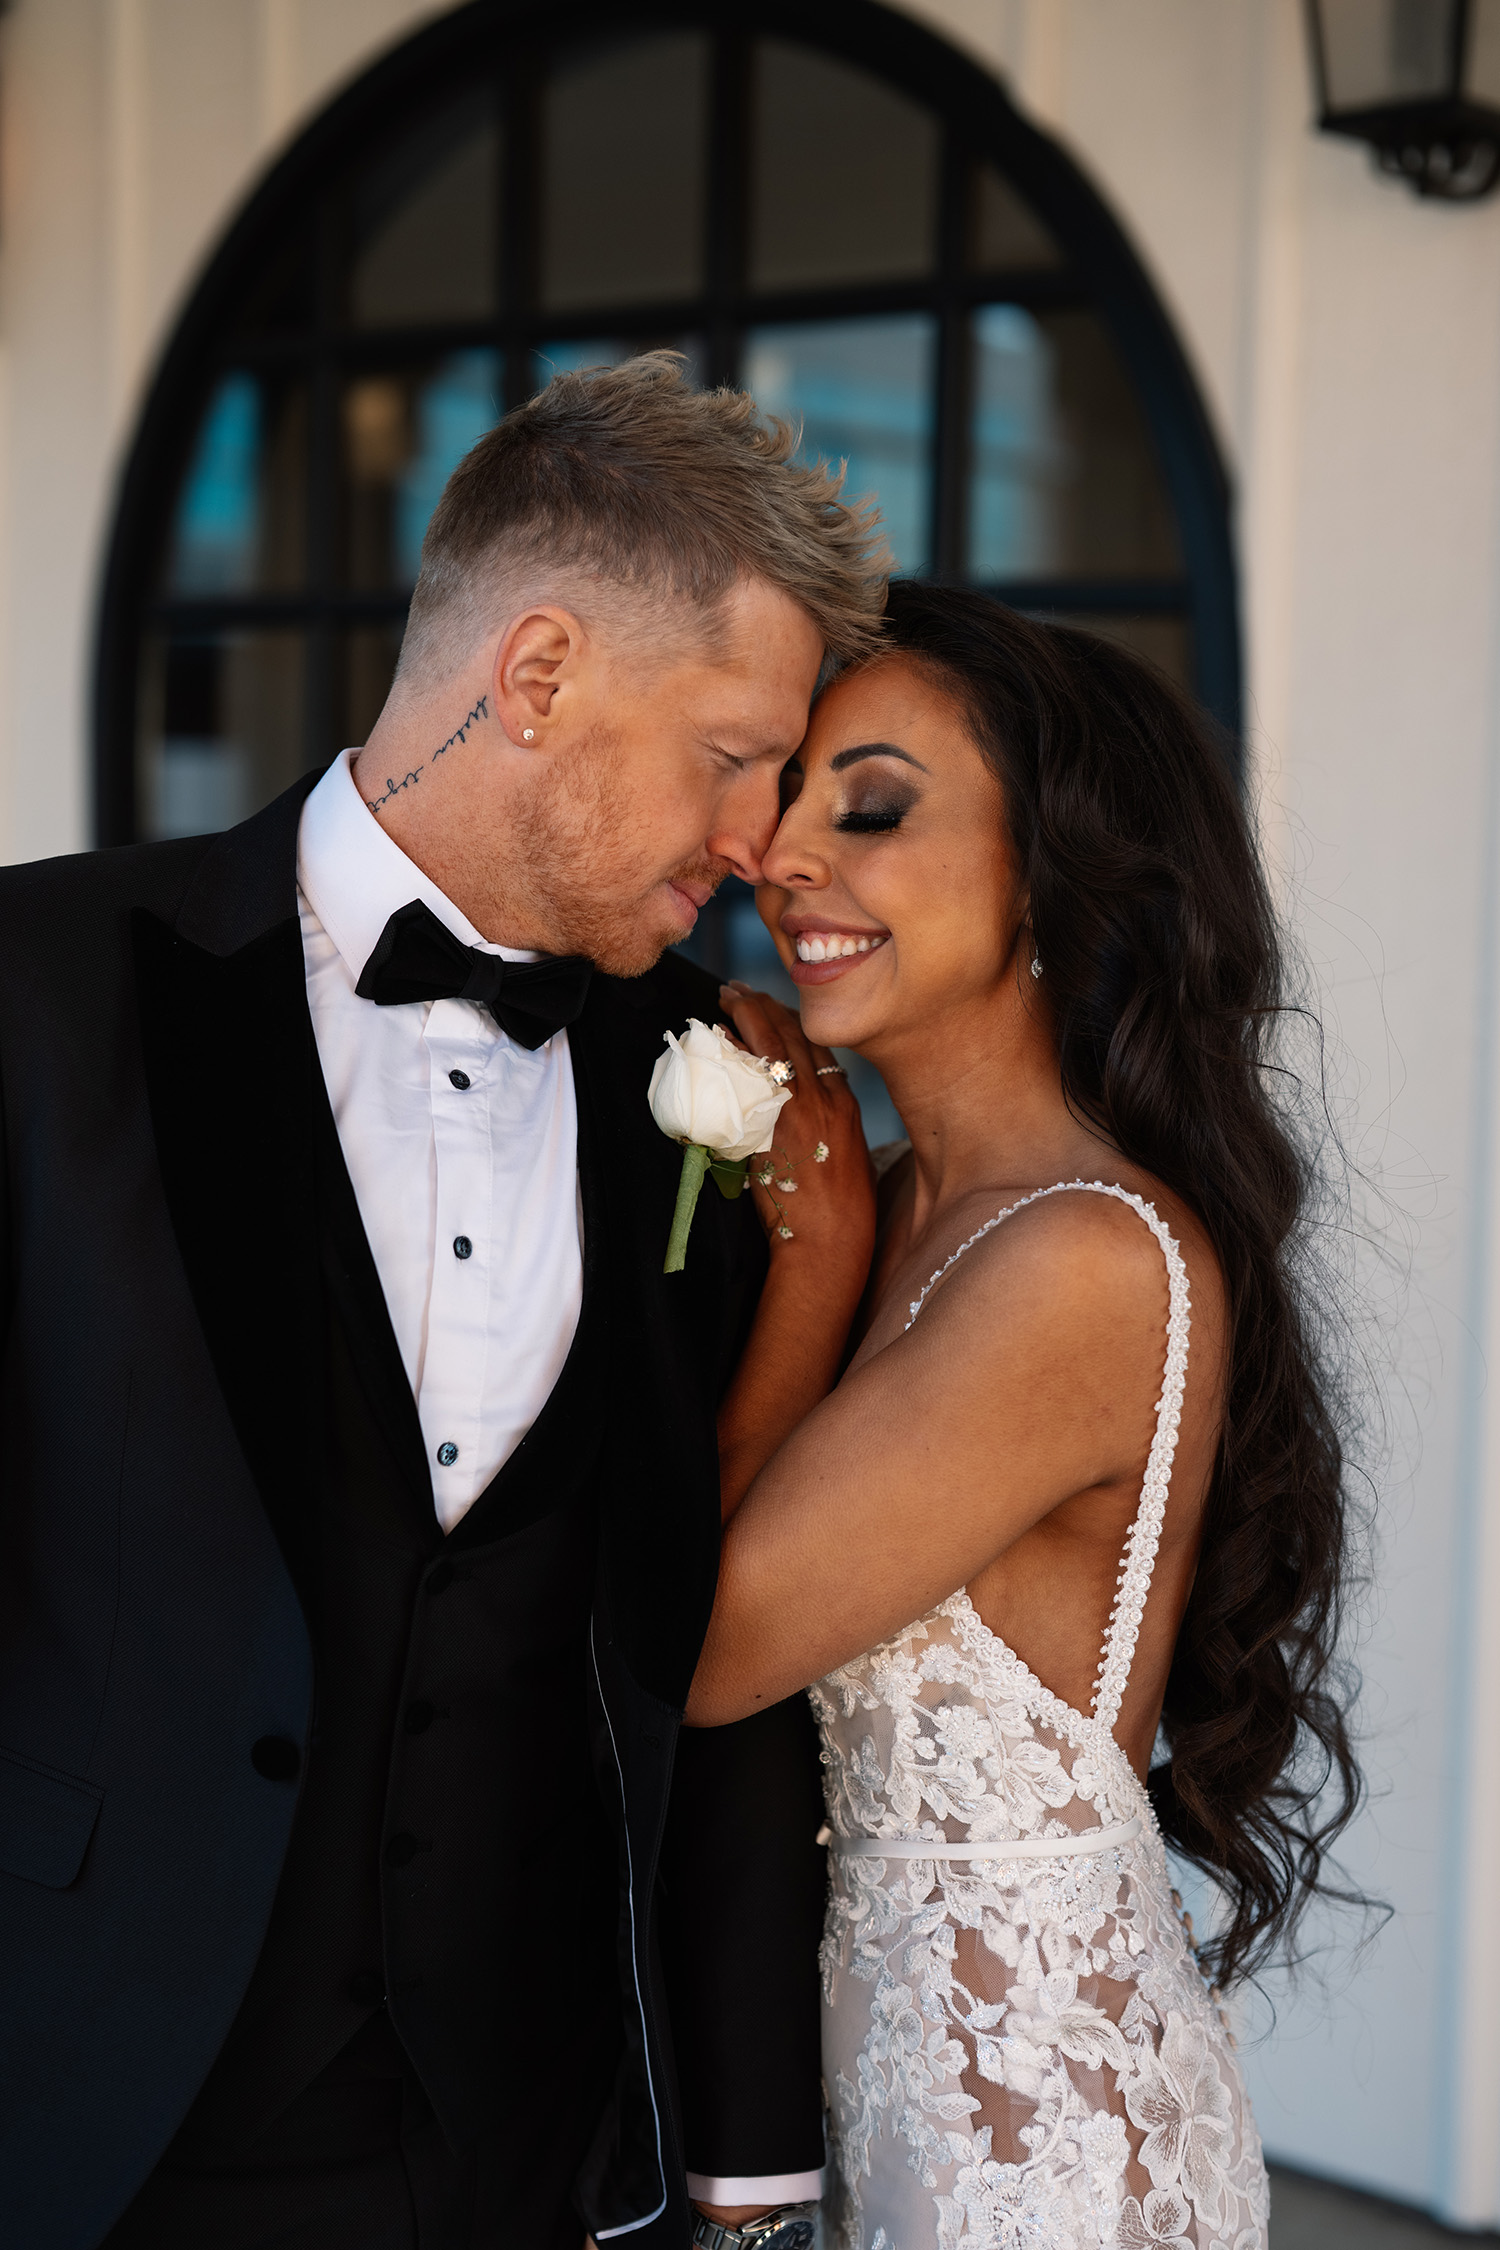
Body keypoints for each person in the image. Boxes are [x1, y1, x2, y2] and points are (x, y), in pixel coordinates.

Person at [0, 355, 884, 2250]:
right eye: (737, 752)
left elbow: (707, 1633)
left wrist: (742, 2165)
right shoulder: (35, 992)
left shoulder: (712, 1082)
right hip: (94, 2113)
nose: (761, 840)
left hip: (527, 2148)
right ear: (539, 670)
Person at [694, 581, 1363, 2250]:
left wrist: (813, 1257)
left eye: (875, 808)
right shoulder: (909, 1190)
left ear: (1049, 878)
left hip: (1045, 2157)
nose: (784, 858)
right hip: (898, 2105)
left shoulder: (1082, 1260)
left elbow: (704, 1641)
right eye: (788, 805)